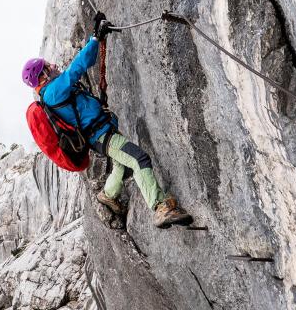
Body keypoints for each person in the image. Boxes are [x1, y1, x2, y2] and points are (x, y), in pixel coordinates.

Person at [21, 14, 192, 228]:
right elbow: (77, 68)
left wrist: (97, 37)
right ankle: (160, 207)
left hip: (102, 133)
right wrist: (95, 38)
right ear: (43, 75)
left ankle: (109, 195)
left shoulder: (53, 90)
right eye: (49, 65)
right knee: (138, 159)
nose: (54, 65)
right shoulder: (52, 91)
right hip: (102, 135)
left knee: (121, 165)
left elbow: (77, 67)